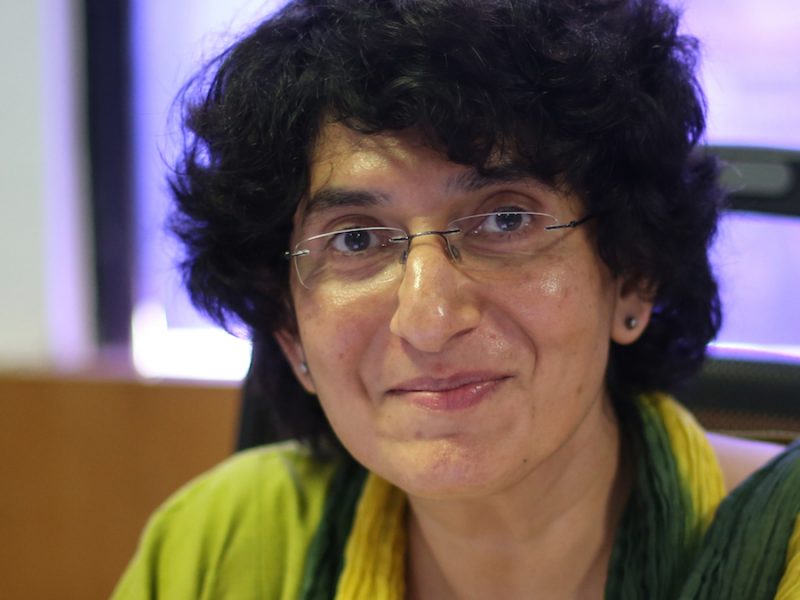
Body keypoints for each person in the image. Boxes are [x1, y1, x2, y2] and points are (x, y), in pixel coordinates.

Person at [112, 0, 800, 598]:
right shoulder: (222, 546)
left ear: (632, 274)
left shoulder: (783, 556)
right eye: (355, 239)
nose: (429, 320)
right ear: (290, 333)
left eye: (506, 219)